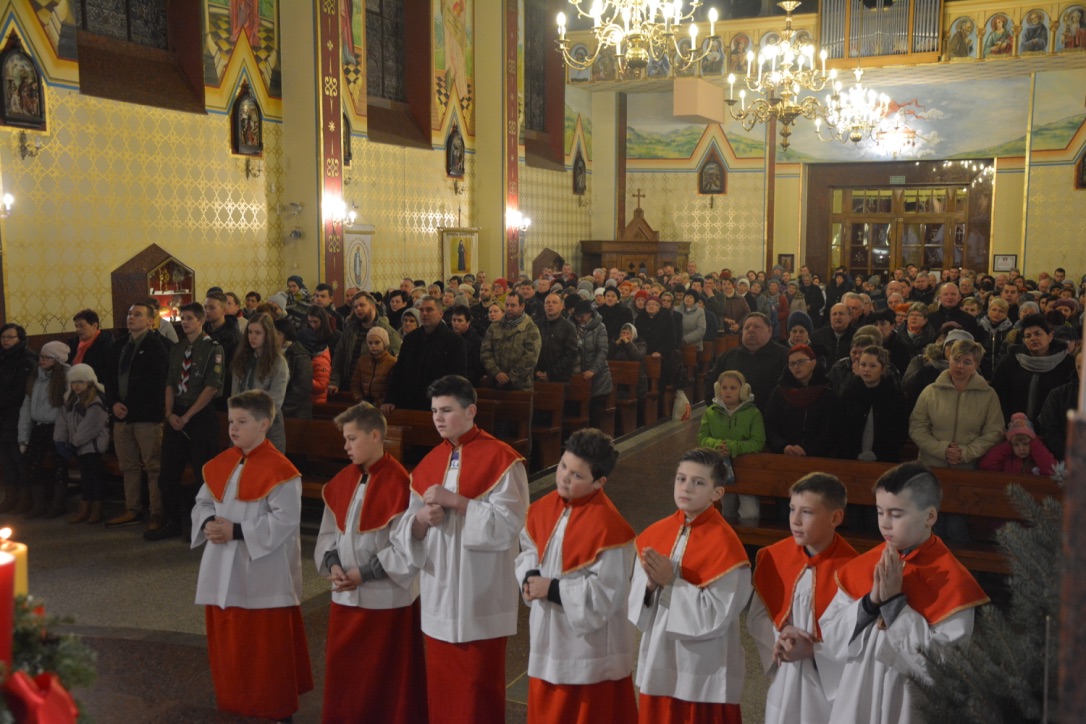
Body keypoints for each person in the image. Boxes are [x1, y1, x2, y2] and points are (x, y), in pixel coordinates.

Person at [392, 375, 529, 723]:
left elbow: (510, 524)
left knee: (477, 687)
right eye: (434, 411)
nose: (438, 418)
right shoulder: (429, 463)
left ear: (471, 411)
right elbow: (406, 529)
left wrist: (458, 502)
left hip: (479, 593)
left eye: (447, 410)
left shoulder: (502, 459)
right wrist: (421, 519)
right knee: (443, 687)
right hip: (439, 592)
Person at [819, 462, 988, 724]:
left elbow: (942, 666)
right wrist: (870, 603)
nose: (884, 523)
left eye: (896, 514)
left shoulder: (954, 582)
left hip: (907, 702)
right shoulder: (865, 565)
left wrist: (894, 605)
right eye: (879, 512)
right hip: (858, 691)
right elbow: (830, 634)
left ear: (929, 517)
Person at [191, 390, 313, 721]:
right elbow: (203, 501)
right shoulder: (221, 463)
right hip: (221, 567)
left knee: (264, 650)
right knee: (230, 648)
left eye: (242, 422)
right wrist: (208, 522)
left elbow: (285, 521)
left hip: (262, 572)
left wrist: (236, 531)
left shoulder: (282, 471)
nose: (233, 428)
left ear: (264, 424)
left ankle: (276, 710)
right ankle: (235, 704)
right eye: (231, 421)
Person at [516, 428, 638, 723]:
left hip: (587, 652)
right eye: (563, 466)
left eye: (577, 475)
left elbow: (607, 594)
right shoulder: (543, 508)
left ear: (600, 481)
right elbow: (529, 547)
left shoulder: (610, 527)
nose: (564, 478)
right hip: (547, 637)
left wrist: (552, 589)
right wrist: (529, 575)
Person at [315, 402, 425, 724]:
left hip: (384, 600)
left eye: (352, 439)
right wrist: (333, 565)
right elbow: (328, 533)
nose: (345, 446)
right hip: (345, 594)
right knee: (346, 674)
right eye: (345, 439)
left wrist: (362, 573)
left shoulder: (401, 483)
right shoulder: (341, 481)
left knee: (384, 680)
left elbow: (405, 547)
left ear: (375, 436)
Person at [630, 448, 751, 723]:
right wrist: (650, 586)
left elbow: (718, 615)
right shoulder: (656, 532)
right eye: (681, 479)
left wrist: (671, 583)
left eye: (698, 482)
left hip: (701, 663)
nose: (686, 488)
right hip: (659, 653)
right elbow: (638, 598)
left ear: (717, 493)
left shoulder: (726, 547)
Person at [748, 473, 858, 724]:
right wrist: (782, 635)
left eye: (807, 512)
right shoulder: (774, 558)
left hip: (825, 686)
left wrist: (814, 650)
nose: (795, 520)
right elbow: (757, 617)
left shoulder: (852, 570)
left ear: (835, 517)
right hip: (784, 674)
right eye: (792, 509)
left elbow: (855, 639)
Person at [148, 302, 225, 542]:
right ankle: (171, 521)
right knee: (168, 472)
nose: (185, 322)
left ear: (201, 320)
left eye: (190, 318)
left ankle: (202, 525)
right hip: (177, 414)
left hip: (200, 415)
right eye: (183, 318)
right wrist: (170, 413)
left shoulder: (213, 348)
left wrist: (188, 416)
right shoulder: (178, 348)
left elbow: (212, 387)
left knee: (203, 475)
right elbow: (170, 382)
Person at [103, 301, 172, 529]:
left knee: (153, 467)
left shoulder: (157, 346)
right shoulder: (119, 345)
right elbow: (110, 378)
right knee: (128, 466)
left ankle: (157, 512)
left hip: (147, 416)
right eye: (130, 313)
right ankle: (132, 508)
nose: (131, 317)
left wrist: (128, 405)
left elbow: (155, 383)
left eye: (138, 314)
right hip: (121, 415)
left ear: (151, 321)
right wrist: (113, 403)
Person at [910, 339, 1004, 470]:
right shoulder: (930, 391)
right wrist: (942, 450)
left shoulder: (988, 395)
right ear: (949, 358)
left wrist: (966, 453)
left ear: (976, 365)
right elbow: (917, 427)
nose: (960, 366)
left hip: (969, 467)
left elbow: (994, 432)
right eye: (956, 359)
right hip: (931, 465)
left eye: (967, 362)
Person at [699, 370, 766, 520]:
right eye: (724, 387)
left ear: (743, 390)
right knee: (727, 510)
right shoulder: (711, 412)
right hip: (722, 469)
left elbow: (758, 442)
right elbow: (702, 437)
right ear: (718, 389)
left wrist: (733, 447)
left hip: (747, 470)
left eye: (733, 388)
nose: (727, 391)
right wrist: (718, 445)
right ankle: (727, 534)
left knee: (750, 512)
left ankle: (749, 535)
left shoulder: (753, 413)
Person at [383, 296, 467, 412]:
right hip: (409, 402)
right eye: (421, 310)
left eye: (429, 310)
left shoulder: (454, 341)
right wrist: (390, 399)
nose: (424, 314)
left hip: (438, 405)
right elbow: (399, 371)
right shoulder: (410, 339)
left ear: (440, 314)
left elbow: (457, 379)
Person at [991, 314, 1076, 423]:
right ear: (1023, 340)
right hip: (1014, 426)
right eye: (1028, 336)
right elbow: (998, 394)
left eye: (1038, 334)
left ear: (1050, 336)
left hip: (1054, 427)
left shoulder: (1067, 363)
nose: (1033, 338)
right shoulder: (1010, 361)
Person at [18, 340, 70, 519]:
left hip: (58, 427)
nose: (42, 360)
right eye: (41, 356)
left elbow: (68, 407)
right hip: (39, 427)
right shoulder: (36, 377)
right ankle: (39, 504)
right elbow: (26, 407)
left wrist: (65, 431)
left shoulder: (66, 377)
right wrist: (23, 435)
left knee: (59, 465)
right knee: (32, 463)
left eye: (48, 357)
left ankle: (58, 504)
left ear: (58, 360)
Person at [54, 364, 110, 525]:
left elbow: (89, 427)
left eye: (80, 382)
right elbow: (62, 422)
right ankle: (84, 508)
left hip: (92, 447)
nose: (76, 386)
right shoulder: (71, 401)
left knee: (94, 478)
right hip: (79, 447)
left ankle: (96, 508)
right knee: (85, 478)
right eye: (73, 382)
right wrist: (60, 441)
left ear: (89, 382)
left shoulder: (95, 402)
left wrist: (73, 444)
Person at [838, 346, 910, 463]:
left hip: (885, 460)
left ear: (882, 369)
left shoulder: (895, 396)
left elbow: (899, 432)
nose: (866, 369)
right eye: (863, 365)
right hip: (850, 459)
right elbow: (840, 428)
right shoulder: (849, 393)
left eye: (873, 366)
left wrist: (879, 454)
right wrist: (853, 453)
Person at [763, 344, 837, 457]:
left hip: (817, 456)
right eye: (792, 364)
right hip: (784, 454)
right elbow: (770, 424)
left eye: (801, 362)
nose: (796, 367)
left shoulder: (826, 393)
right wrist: (783, 446)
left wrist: (808, 450)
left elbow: (830, 429)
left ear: (813, 363)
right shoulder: (780, 392)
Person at [706, 312, 789, 411]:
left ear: (770, 331)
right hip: (732, 415)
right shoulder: (729, 356)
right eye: (746, 327)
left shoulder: (784, 356)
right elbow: (711, 383)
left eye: (756, 327)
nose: (751, 330)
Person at [231, 313, 288, 451]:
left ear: (267, 335)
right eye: (250, 332)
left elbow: (276, 399)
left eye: (258, 333)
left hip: (267, 425)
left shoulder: (278, 362)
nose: (252, 336)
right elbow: (235, 392)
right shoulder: (242, 358)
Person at [0, 325, 37, 514]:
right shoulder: (3, 357)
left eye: (10, 337)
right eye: (3, 337)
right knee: (6, 458)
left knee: (19, 458)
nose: (5, 340)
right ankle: (10, 496)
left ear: (20, 339)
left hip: (18, 415)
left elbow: (21, 390)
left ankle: (25, 497)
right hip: (3, 416)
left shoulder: (27, 359)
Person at [480, 291, 542, 391]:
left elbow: (531, 358)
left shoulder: (530, 328)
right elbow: (485, 352)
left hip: (521, 386)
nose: (509, 308)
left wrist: (510, 377)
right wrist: (496, 372)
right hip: (495, 383)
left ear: (522, 306)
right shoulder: (494, 327)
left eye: (513, 305)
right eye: (507, 305)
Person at [573, 299, 614, 429]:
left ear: (590, 314)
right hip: (578, 375)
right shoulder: (572, 326)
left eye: (582, 316)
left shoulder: (599, 327)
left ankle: (594, 437)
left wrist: (593, 370)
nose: (579, 319)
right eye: (577, 316)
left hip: (598, 377)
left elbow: (603, 351)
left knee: (593, 410)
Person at [978, 412, 1057, 476]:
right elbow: (986, 465)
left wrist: (1035, 444)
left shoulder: (1037, 458)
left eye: (1025, 444)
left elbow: (1053, 471)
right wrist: (1008, 445)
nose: (1021, 449)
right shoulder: (1008, 460)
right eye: (1016, 445)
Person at [535, 293, 579, 383]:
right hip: (537, 376)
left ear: (561, 306)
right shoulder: (536, 325)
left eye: (554, 302)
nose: (550, 305)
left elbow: (570, 354)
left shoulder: (568, 327)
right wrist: (536, 371)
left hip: (559, 378)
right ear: (544, 306)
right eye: (547, 302)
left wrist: (550, 373)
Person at [274, 318, 313, 420]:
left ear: (287, 336)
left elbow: (302, 389)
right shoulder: (272, 354)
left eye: (278, 334)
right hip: (277, 411)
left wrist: (279, 409)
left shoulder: (300, 355)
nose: (273, 337)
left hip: (296, 414)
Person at [351, 327, 398, 408]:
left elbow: (391, 388)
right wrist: (359, 399)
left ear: (384, 343)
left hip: (382, 406)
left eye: (377, 342)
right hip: (363, 403)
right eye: (370, 343)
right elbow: (355, 384)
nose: (373, 346)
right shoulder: (362, 361)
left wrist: (379, 403)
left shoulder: (392, 362)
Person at [66, 309, 112, 384]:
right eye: (76, 326)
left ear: (94, 326)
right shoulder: (75, 343)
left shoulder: (106, 345)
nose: (77, 329)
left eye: (81, 326)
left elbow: (106, 374)